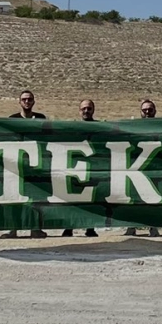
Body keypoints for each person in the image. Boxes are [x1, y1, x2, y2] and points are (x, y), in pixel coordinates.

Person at [1, 91, 48, 239]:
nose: (27, 102)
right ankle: (12, 228)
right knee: (14, 196)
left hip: (35, 164)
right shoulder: (12, 119)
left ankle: (35, 228)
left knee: (35, 197)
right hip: (16, 164)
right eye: (24, 99)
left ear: (33, 101)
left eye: (29, 99)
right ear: (19, 102)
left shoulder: (40, 118)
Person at [62, 99, 99, 237]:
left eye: (89, 108)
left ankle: (90, 227)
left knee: (92, 198)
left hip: (93, 168)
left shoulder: (99, 127)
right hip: (76, 167)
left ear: (93, 110)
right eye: (83, 108)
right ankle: (69, 227)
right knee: (73, 199)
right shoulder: (74, 128)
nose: (86, 111)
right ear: (79, 111)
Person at [125, 100, 162, 236]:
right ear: (140, 112)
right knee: (133, 199)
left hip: (153, 168)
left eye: (150, 110)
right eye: (144, 110)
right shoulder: (134, 127)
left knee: (153, 199)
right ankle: (131, 227)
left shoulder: (161, 128)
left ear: (155, 111)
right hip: (136, 168)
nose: (147, 112)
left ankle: (153, 227)